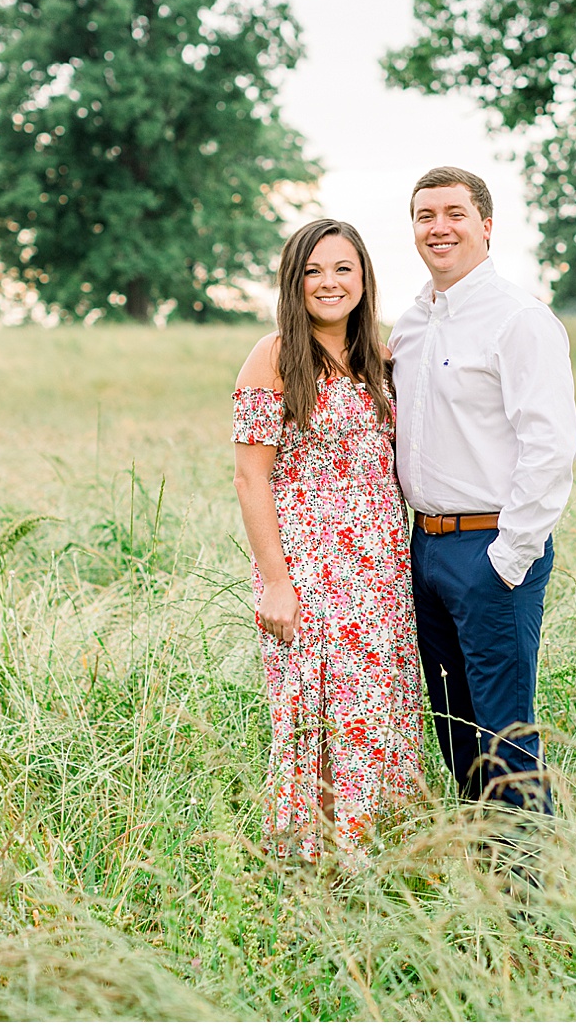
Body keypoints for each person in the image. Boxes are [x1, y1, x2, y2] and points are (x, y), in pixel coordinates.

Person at [231, 218, 424, 867]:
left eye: (343, 268)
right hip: (309, 573)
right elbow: (250, 477)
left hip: (383, 573)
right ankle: (312, 866)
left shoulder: (380, 359)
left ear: (363, 277)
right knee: (317, 716)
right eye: (313, 270)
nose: (329, 282)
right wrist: (276, 581)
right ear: (294, 282)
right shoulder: (274, 356)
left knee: (382, 708)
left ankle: (381, 857)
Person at [389, 166, 576, 814]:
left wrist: (508, 557)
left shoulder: (519, 320)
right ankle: (483, 853)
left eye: (455, 214)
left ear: (487, 226)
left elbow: (550, 446)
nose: (438, 227)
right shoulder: (411, 324)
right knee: (455, 728)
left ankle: (530, 867)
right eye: (425, 216)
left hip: (490, 549)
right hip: (424, 549)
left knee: (505, 734)